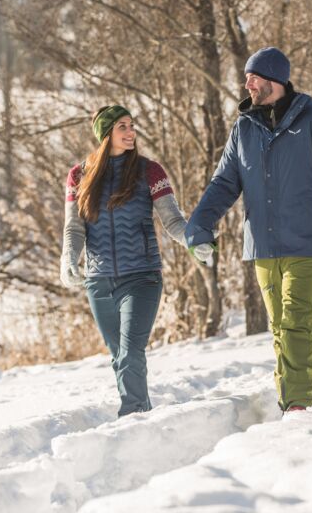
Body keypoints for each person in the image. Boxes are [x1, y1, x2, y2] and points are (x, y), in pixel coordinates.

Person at [185, 47, 312, 413]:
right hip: (262, 245)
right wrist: (199, 225)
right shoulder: (244, 129)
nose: (247, 84)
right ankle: (289, 397)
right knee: (279, 326)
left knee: (296, 319)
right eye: (247, 77)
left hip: (304, 242)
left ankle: (298, 403)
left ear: (274, 80)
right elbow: (223, 184)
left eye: (254, 77)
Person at [61, 104, 213, 417]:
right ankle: (142, 415)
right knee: (118, 355)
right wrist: (69, 258)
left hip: (142, 276)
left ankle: (131, 416)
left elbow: (172, 220)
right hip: (99, 280)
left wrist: (193, 240)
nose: (131, 133)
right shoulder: (79, 176)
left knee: (131, 352)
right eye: (123, 127)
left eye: (132, 126)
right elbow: (74, 226)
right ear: (106, 134)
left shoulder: (149, 171)